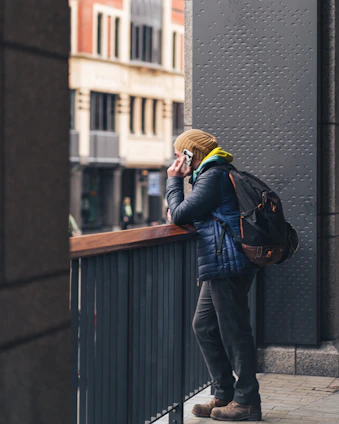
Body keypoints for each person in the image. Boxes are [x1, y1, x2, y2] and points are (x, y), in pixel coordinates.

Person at [166, 129, 261, 422]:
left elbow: (179, 214)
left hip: (226, 262)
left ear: (190, 153)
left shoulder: (213, 175)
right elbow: (183, 213)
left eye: (179, 154)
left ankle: (247, 402)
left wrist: (173, 179)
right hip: (221, 262)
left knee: (234, 330)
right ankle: (224, 393)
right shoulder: (211, 174)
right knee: (204, 326)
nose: (177, 160)